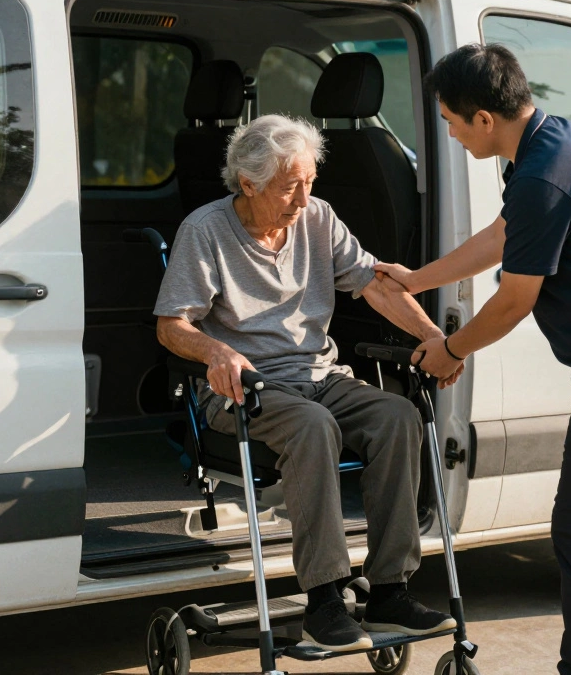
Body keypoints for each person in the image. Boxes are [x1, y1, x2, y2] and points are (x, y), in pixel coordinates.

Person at [373, 44, 571, 675]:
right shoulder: (552, 144)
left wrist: (448, 349)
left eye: (450, 120)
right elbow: (504, 234)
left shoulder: (546, 172)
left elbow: (515, 299)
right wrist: (418, 280)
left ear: (484, 120)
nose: (447, 131)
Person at [154, 114, 458, 653]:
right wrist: (217, 350)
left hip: (320, 375)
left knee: (398, 417)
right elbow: (171, 325)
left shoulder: (318, 218)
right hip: (242, 389)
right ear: (248, 183)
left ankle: (390, 589)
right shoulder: (205, 230)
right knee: (314, 426)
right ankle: (323, 599)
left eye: (310, 181)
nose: (303, 199)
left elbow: (375, 286)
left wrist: (436, 339)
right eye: (291, 186)